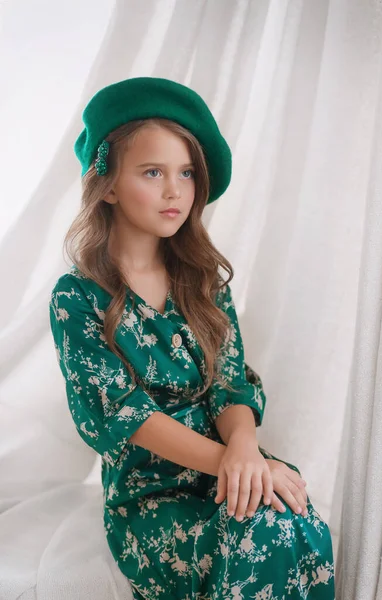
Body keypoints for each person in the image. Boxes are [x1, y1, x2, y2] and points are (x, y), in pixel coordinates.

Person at [49, 76, 335, 600]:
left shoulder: (201, 281)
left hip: (226, 466)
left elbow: (230, 386)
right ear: (108, 185)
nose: (174, 190)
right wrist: (233, 463)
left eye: (185, 173)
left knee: (297, 518)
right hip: (150, 495)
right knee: (261, 532)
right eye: (152, 172)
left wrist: (246, 450)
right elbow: (125, 414)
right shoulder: (78, 297)